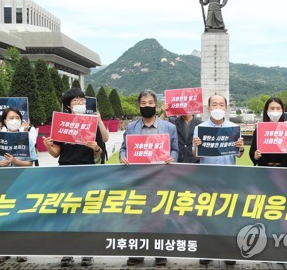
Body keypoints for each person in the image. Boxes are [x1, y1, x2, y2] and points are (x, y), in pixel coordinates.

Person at [43, 88, 109, 267]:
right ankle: (67, 251)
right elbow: (56, 153)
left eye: (82, 100)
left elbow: (103, 143)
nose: (80, 103)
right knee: (66, 213)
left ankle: (88, 251)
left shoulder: (91, 122)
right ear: (67, 105)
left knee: (86, 213)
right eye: (75, 101)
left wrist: (95, 144)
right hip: (65, 173)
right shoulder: (60, 123)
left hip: (88, 172)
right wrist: (49, 146)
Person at [119, 89, 178, 266]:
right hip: (138, 178)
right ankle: (138, 252)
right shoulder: (131, 127)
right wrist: (123, 155)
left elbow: (175, 150)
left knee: (160, 213)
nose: (147, 106)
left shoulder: (169, 127)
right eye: (143, 104)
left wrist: (172, 158)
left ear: (156, 105)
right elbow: (123, 148)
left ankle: (160, 253)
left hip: (161, 177)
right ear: (139, 106)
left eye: (150, 103)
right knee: (138, 215)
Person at [192, 94, 244, 266]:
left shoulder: (233, 128)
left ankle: (229, 251)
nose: (218, 107)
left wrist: (241, 148)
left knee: (229, 216)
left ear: (226, 107)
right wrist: (197, 146)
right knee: (207, 215)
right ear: (208, 108)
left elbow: (239, 154)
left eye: (221, 104)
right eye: (214, 104)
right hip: (206, 178)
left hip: (228, 178)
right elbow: (195, 154)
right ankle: (207, 250)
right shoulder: (200, 128)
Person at [0, 108, 37, 263]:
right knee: (2, 216)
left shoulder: (25, 138)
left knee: (20, 216)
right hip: (2, 181)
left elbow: (30, 163)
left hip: (22, 181)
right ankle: (3, 249)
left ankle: (21, 249)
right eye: (10, 117)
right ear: (5, 121)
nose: (14, 120)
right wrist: (0, 163)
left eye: (17, 117)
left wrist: (16, 162)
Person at [249, 97, 287, 167]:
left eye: (278, 108)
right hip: (264, 170)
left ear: (282, 110)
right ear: (266, 110)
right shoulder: (259, 130)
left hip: (285, 170)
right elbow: (253, 155)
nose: (275, 111)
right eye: (272, 108)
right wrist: (256, 156)